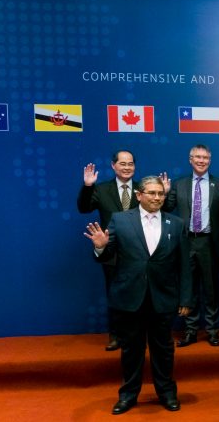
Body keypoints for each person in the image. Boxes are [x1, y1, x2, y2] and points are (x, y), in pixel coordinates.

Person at [83, 176, 192, 415]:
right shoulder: (120, 221)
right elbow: (106, 255)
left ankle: (167, 393)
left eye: (160, 194)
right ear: (139, 195)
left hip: (163, 298)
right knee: (131, 350)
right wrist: (100, 245)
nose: (156, 197)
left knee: (163, 350)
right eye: (151, 193)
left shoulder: (176, 223)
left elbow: (185, 265)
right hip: (129, 298)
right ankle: (128, 395)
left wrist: (185, 299)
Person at [162, 144, 219, 347]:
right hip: (185, 242)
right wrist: (165, 193)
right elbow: (166, 209)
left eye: (205, 158)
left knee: (211, 289)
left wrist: (216, 231)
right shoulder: (179, 184)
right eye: (197, 157)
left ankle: (212, 330)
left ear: (210, 160)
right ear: (190, 159)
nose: (201, 161)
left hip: (209, 242)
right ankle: (190, 331)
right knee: (188, 288)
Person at [77, 150, 138, 351]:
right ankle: (115, 335)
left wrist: (163, 193)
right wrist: (88, 186)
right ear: (113, 166)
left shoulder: (142, 190)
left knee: (139, 295)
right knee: (115, 295)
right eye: (122, 163)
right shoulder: (101, 190)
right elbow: (84, 208)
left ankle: (137, 335)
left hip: (140, 253)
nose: (127, 167)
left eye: (130, 164)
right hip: (112, 252)